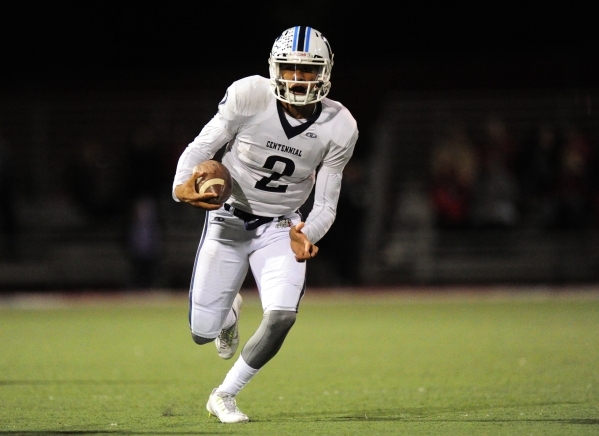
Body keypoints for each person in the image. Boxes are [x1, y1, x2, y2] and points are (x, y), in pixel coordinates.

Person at [171, 26, 358, 423]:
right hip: (228, 219)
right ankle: (229, 315)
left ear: (325, 73)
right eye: (290, 68)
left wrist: (307, 233)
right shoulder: (249, 95)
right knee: (202, 332)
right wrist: (180, 188)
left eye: (308, 70)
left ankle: (224, 394)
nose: (298, 78)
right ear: (275, 69)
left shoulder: (340, 126)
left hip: (280, 225)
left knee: (282, 316)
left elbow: (326, 203)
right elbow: (202, 148)